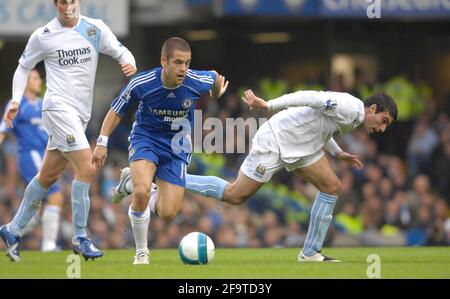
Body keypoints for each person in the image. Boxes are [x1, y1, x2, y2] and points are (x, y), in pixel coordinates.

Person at [184, 90, 397, 262]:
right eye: (384, 120)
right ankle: (176, 179)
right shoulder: (349, 106)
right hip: (277, 139)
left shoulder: (355, 117)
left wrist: (337, 152)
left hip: (302, 147)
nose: (383, 128)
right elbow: (309, 98)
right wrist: (268, 105)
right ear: (373, 108)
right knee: (235, 194)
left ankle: (311, 253)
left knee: (332, 186)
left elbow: (323, 126)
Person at [0, 0, 136, 262]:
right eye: (62, 1)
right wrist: (16, 99)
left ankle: (12, 229)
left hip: (80, 114)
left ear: (78, 2)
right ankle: (80, 238)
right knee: (86, 167)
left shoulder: (95, 29)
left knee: (48, 175)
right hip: (57, 108)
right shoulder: (44, 35)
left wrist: (129, 63)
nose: (67, 6)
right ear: (56, 4)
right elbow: (23, 66)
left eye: (71, 0)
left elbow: (122, 52)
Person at [92, 37, 228, 265]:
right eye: (178, 62)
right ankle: (142, 251)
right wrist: (102, 142)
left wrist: (216, 94)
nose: (183, 68)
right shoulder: (142, 83)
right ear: (164, 61)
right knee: (142, 192)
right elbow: (115, 111)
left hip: (177, 146)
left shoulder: (196, 80)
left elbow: (214, 77)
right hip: (146, 138)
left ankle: (127, 183)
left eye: (187, 62)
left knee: (167, 212)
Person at [0, 69, 64, 252]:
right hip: (30, 156)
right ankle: (49, 246)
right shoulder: (18, 105)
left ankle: (12, 234)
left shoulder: (43, 104)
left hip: (46, 156)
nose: (39, 81)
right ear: (26, 82)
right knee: (56, 197)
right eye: (35, 78)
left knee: (44, 209)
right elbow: (3, 129)